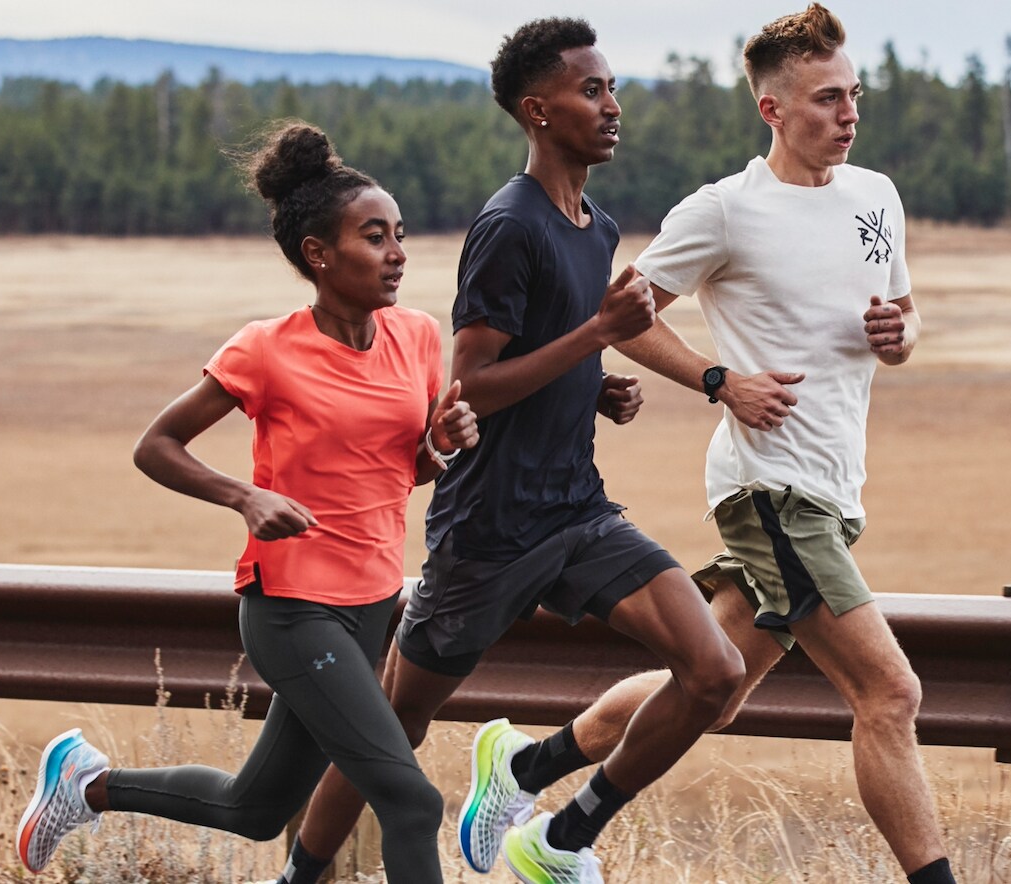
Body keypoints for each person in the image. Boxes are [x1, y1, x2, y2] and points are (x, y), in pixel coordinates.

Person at [460, 5, 960, 883]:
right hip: (771, 492)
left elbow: (904, 317)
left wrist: (900, 335)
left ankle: (531, 783)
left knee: (713, 688)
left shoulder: (875, 195)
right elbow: (619, 317)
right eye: (826, 99)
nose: (848, 114)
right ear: (772, 109)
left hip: (834, 490)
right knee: (889, 693)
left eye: (853, 96)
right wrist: (718, 379)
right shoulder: (726, 211)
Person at [279, 17, 745, 884]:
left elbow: (548, 346)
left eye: (612, 89)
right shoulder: (509, 224)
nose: (612, 106)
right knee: (393, 725)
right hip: (490, 531)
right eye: (590, 90)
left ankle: (559, 832)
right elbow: (469, 387)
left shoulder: (595, 226)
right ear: (538, 110)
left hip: (577, 512)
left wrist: (593, 385)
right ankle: (298, 877)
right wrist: (595, 336)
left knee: (714, 671)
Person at [13, 120, 477, 883]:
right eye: (374, 237)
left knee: (256, 809)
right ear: (318, 254)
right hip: (293, 609)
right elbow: (156, 445)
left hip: (371, 601)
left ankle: (86, 785)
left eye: (398, 235)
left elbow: (405, 467)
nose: (396, 253)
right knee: (410, 801)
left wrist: (444, 443)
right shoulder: (267, 348)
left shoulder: (417, 336)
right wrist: (245, 497)